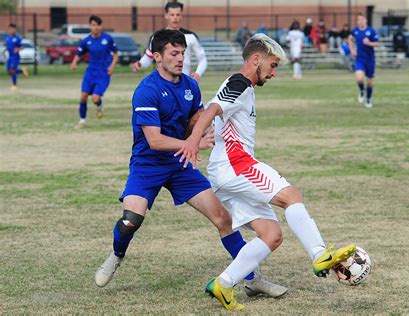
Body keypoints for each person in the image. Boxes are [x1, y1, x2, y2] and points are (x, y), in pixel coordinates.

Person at [94, 29, 286, 299]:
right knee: (131, 220)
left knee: (224, 219)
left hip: (180, 165)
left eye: (183, 53)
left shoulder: (190, 85)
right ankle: (116, 255)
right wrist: (190, 144)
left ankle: (252, 279)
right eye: (174, 53)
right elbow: (154, 140)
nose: (181, 58)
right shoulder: (146, 91)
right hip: (148, 165)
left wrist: (205, 131)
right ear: (158, 57)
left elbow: (195, 119)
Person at [176, 34, 356, 310]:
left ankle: (223, 284)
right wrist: (192, 141)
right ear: (256, 60)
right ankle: (319, 254)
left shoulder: (241, 86)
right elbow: (212, 109)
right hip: (237, 165)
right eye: (272, 65)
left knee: (271, 234)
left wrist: (198, 132)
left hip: (227, 171)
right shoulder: (239, 82)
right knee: (291, 196)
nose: (274, 73)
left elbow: (208, 111)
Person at [132, 1, 207, 84]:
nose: (175, 18)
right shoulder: (157, 37)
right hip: (162, 83)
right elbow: (149, 57)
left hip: (184, 83)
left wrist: (198, 74)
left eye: (178, 15)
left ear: (181, 15)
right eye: (172, 15)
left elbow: (203, 59)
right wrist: (140, 64)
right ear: (166, 15)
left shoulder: (190, 36)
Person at [71, 15, 119, 128]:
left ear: (101, 26)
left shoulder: (107, 39)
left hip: (103, 73)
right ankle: (82, 121)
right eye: (93, 25)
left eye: (98, 25)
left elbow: (116, 54)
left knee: (95, 98)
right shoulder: (86, 41)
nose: (96, 27)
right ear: (90, 26)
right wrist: (74, 63)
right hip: (90, 72)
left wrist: (112, 67)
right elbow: (79, 54)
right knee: (83, 96)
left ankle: (99, 105)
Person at [348, 13, 380, 109]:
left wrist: (369, 43)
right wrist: (352, 50)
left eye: (362, 19)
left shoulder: (371, 31)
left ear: (365, 20)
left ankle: (368, 100)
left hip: (370, 60)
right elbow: (349, 40)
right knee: (359, 79)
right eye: (358, 20)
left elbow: (377, 44)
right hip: (360, 59)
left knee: (370, 82)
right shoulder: (355, 31)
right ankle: (362, 90)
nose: (360, 21)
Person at [4, 24, 29, 91]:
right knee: (8, 71)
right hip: (10, 57)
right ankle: (22, 71)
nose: (11, 30)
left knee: (13, 70)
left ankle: (14, 85)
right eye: (10, 29)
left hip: (15, 57)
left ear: (15, 30)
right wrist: (6, 49)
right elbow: (8, 46)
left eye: (13, 29)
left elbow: (23, 46)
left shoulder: (18, 38)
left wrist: (18, 49)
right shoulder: (7, 38)